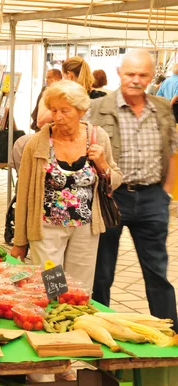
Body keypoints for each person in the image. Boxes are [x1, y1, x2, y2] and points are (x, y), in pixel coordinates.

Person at [88, 49, 178, 330]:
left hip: (152, 199)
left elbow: (173, 152)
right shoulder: (98, 109)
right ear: (119, 74)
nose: (136, 80)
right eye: (130, 74)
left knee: (157, 273)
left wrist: (166, 193)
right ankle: (102, 330)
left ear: (152, 77)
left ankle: (170, 334)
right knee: (101, 273)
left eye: (142, 75)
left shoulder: (163, 109)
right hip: (111, 198)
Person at [11, 80, 122, 293]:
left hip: (85, 230)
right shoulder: (36, 144)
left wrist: (103, 164)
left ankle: (75, 325)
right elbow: (23, 194)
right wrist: (20, 241)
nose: (58, 117)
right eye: (53, 110)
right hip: (46, 230)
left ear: (81, 111)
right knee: (52, 289)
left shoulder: (97, 138)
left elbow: (115, 180)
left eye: (65, 110)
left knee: (79, 291)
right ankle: (54, 324)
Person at [37, 57, 105, 128]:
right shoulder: (101, 97)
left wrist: (51, 90)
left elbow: (41, 122)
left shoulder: (67, 98)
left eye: (63, 77)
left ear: (69, 75)